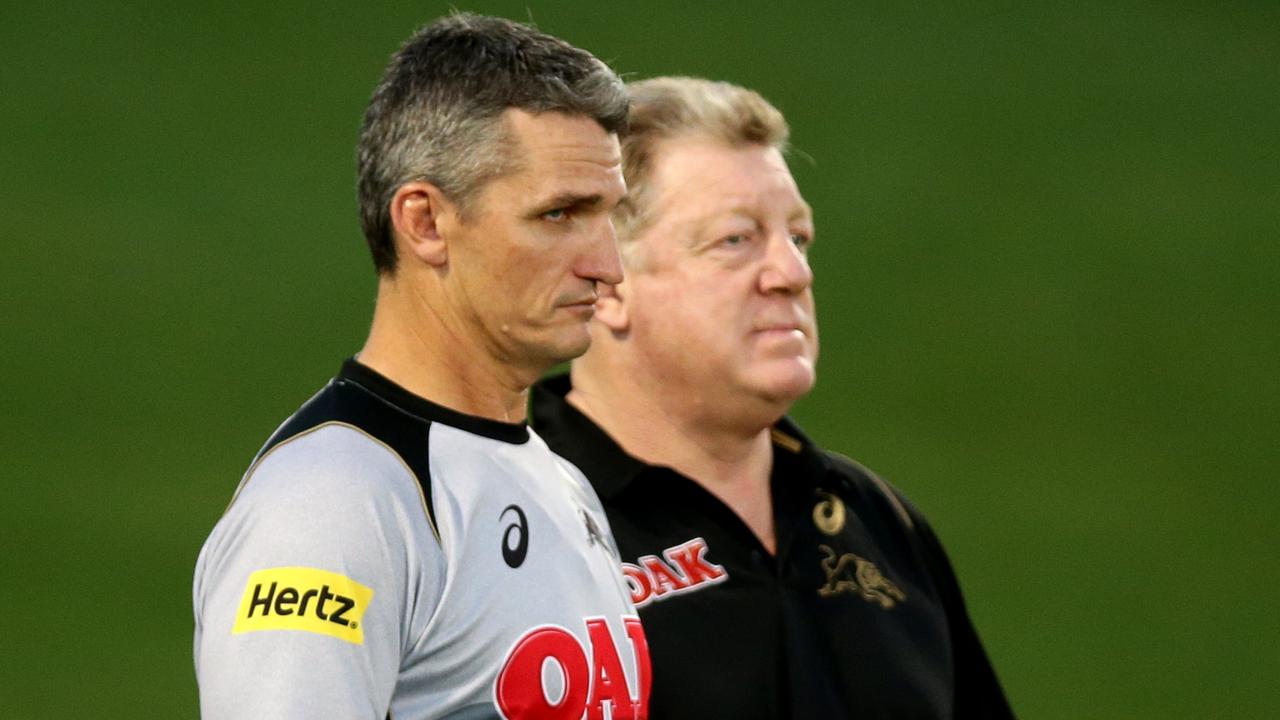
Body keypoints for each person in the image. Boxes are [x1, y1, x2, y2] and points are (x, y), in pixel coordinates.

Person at [193, 15, 651, 719]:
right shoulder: (332, 507)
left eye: (608, 217)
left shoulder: (562, 485)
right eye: (560, 214)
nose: (608, 267)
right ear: (426, 223)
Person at [530, 77, 1014, 718]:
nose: (792, 273)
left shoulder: (879, 523)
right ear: (610, 283)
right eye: (736, 239)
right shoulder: (507, 526)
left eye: (798, 237)